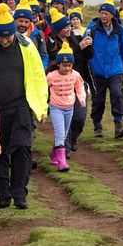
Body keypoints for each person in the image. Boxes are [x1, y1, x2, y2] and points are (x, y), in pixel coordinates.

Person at [0, 4, 48, 209]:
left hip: (20, 106)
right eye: (1, 37)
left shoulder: (27, 46)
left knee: (22, 148)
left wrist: (41, 107)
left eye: (9, 37)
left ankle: (19, 193)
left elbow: (38, 77)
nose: (5, 40)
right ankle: (2, 195)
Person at [45, 8, 94, 152]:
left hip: (78, 83)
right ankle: (63, 148)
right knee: (63, 119)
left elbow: (89, 56)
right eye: (65, 26)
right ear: (58, 29)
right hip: (60, 86)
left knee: (79, 117)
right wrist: (79, 48)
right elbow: (59, 60)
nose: (68, 28)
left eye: (69, 26)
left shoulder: (76, 38)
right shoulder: (51, 42)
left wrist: (88, 46)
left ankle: (72, 138)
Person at [86, 0, 123, 139]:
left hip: (115, 70)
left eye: (106, 13)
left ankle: (119, 126)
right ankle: (97, 125)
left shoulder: (119, 30)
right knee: (97, 100)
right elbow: (85, 47)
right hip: (97, 70)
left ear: (112, 15)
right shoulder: (92, 28)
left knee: (117, 94)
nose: (103, 16)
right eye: (102, 13)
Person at [46, 44, 86, 172]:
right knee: (60, 133)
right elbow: (42, 88)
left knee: (63, 133)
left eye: (69, 65)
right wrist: (42, 103)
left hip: (69, 107)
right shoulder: (51, 76)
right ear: (58, 64)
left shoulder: (75, 75)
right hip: (56, 107)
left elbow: (80, 87)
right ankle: (62, 163)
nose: (66, 68)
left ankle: (54, 155)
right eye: (64, 65)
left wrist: (82, 98)